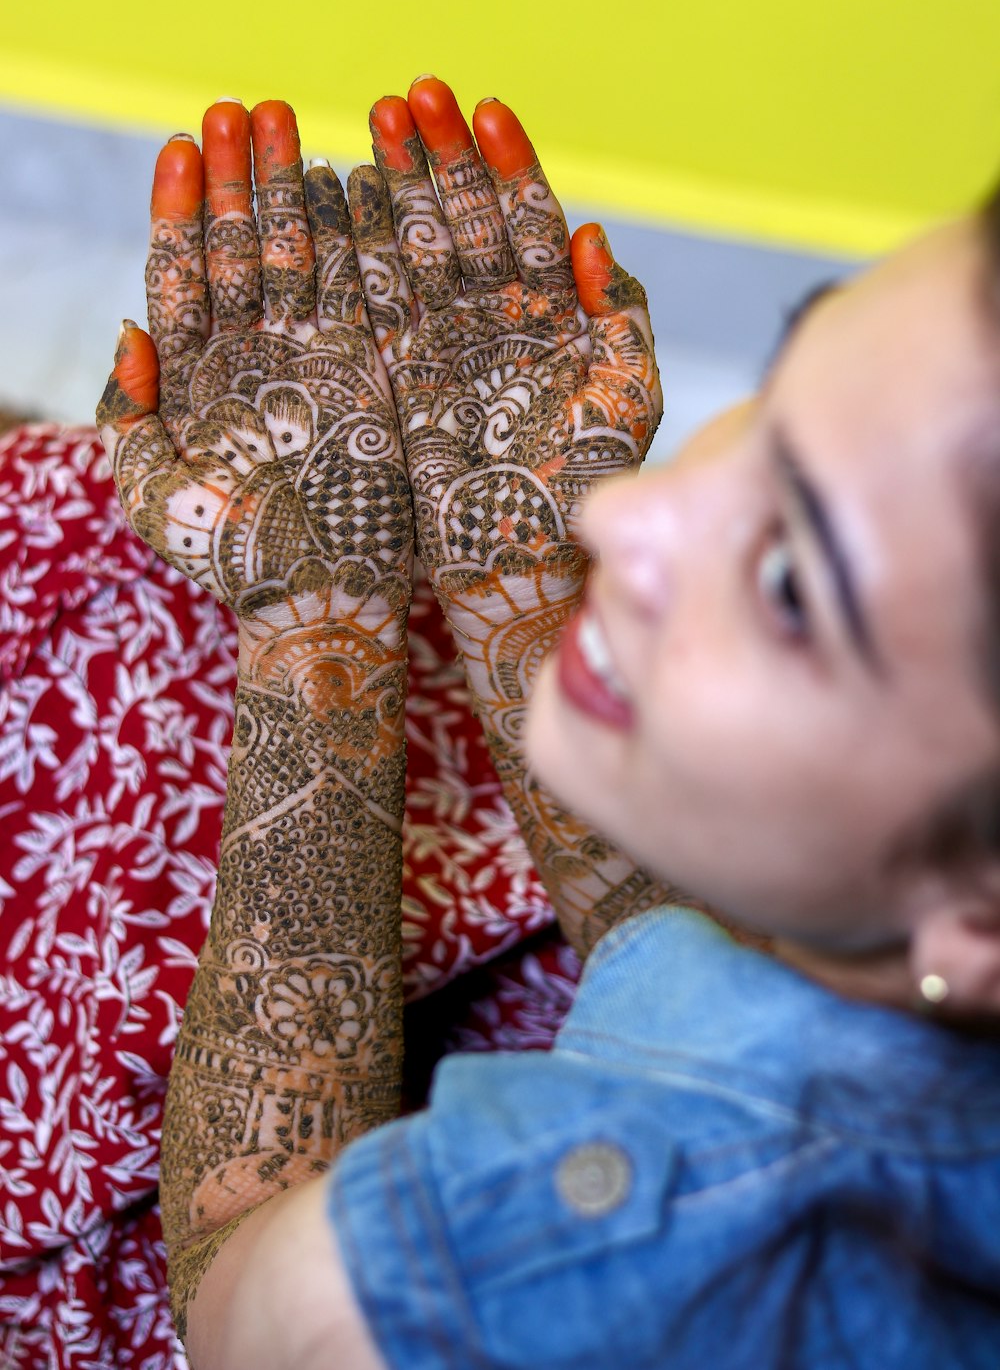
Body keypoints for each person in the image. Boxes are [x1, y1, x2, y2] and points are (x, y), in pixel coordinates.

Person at [96, 77, 1000, 1369]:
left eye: (796, 581)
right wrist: (511, 591)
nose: (622, 516)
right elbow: (681, 987)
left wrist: (319, 628)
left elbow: (247, 1285)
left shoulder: (581, 1236)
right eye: (782, 387)